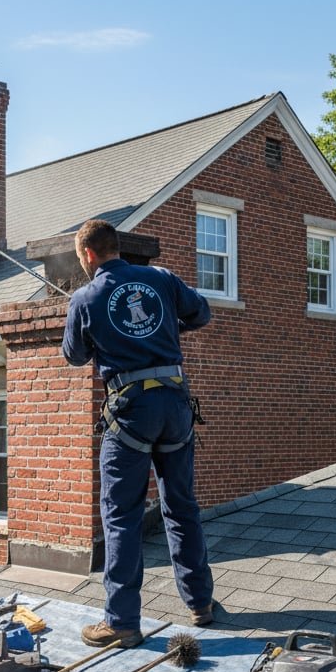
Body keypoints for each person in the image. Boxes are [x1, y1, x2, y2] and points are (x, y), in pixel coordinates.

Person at [62, 219, 214, 647]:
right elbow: (201, 312)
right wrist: (164, 330)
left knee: (121, 514)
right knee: (181, 504)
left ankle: (123, 622)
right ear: (117, 248)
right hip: (175, 403)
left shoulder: (85, 296)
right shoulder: (160, 279)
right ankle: (200, 603)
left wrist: (97, 332)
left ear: (88, 255)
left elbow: (74, 355)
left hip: (131, 410)